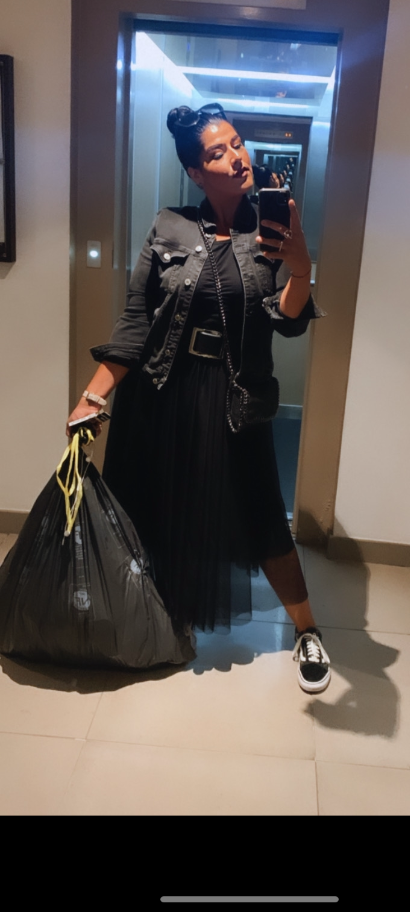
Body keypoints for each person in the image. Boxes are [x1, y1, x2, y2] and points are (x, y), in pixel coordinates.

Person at [66, 102, 330, 693]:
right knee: (157, 505)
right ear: (194, 171)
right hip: (163, 390)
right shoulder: (169, 226)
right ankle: (159, 619)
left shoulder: (271, 230)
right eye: (217, 152)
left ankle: (308, 631)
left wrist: (301, 267)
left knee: (262, 509)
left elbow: (288, 322)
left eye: (237, 144)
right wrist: (93, 396)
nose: (236, 158)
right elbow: (137, 321)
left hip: (236, 396)